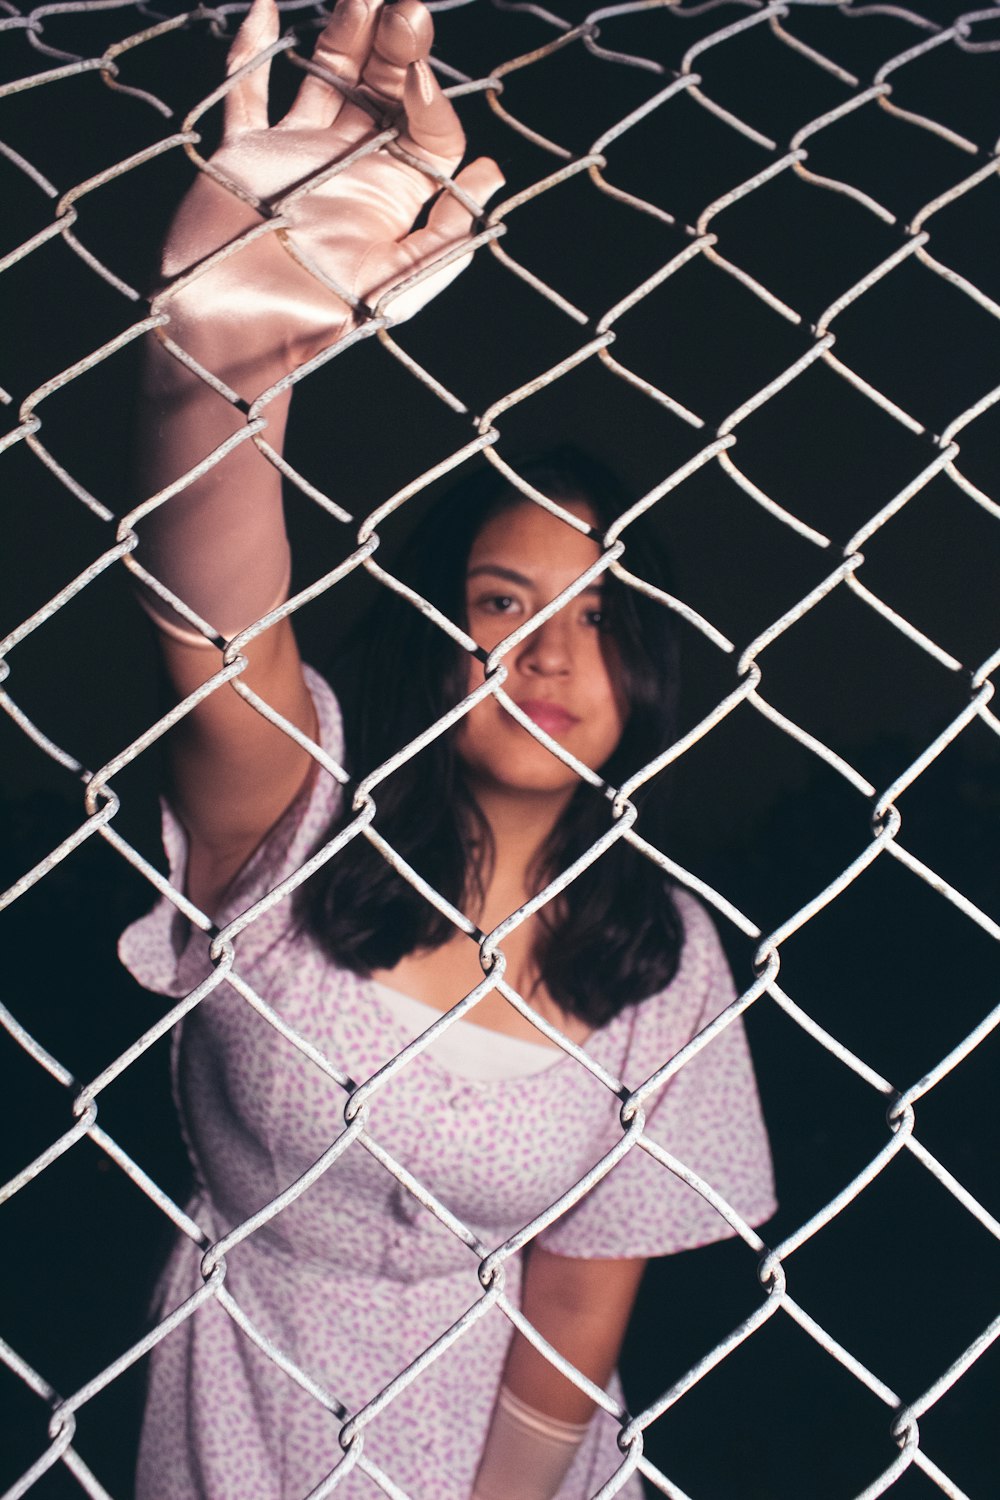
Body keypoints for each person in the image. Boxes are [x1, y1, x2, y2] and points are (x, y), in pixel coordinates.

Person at [119, 0, 776, 1495]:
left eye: (600, 618)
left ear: (650, 670)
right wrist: (216, 375)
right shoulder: (299, 820)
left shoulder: (661, 954)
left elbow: (579, 1300)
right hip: (246, 1426)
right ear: (440, 634)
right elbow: (216, 638)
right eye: (503, 601)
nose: (551, 652)